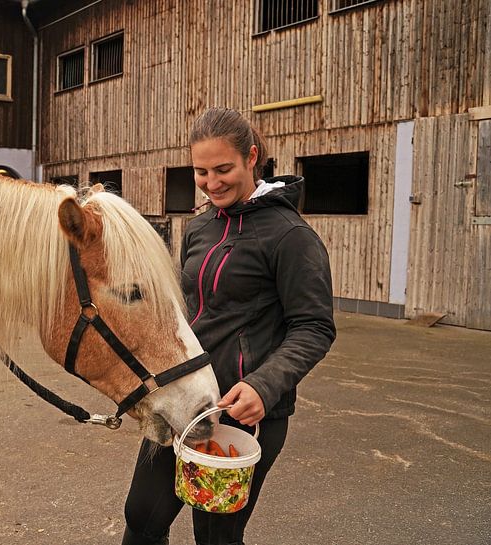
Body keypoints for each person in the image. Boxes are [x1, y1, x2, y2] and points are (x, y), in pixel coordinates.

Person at [121, 107, 337, 545]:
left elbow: (314, 327)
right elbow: (187, 311)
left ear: (251, 157)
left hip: (244, 413)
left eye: (223, 169)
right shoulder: (199, 227)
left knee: (216, 536)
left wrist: (265, 385)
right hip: (185, 399)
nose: (211, 182)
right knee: (142, 516)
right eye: (201, 171)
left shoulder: (290, 236)